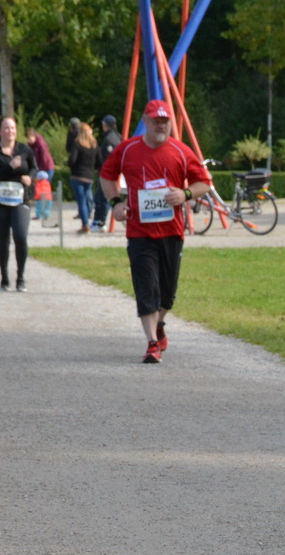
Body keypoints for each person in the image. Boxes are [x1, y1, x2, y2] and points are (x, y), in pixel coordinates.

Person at [100, 99, 210, 363]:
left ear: (170, 123)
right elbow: (106, 175)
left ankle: (159, 323)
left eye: (165, 121)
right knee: (146, 287)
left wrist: (184, 194)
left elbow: (204, 183)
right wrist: (116, 203)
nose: (161, 126)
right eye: (156, 121)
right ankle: (152, 343)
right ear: (145, 122)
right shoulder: (127, 149)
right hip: (139, 233)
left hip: (172, 232)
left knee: (167, 294)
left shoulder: (181, 151)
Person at [0, 116, 35, 291]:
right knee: (3, 240)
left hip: (20, 199)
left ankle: (21, 278)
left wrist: (30, 178)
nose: (10, 131)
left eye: (12, 128)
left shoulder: (24, 149)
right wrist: (9, 167)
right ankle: (4, 278)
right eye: (6, 128)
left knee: (20, 237)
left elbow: (34, 168)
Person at [65, 119, 98, 232]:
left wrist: (69, 164)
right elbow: (99, 161)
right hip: (89, 176)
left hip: (78, 175)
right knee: (87, 197)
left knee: (81, 201)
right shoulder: (94, 145)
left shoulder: (77, 143)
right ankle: (88, 216)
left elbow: (72, 160)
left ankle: (85, 224)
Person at [93, 114, 123, 232]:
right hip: (115, 173)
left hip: (108, 174)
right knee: (102, 197)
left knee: (103, 198)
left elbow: (107, 159)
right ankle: (99, 221)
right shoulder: (118, 137)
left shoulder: (109, 139)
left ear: (105, 125)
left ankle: (100, 222)